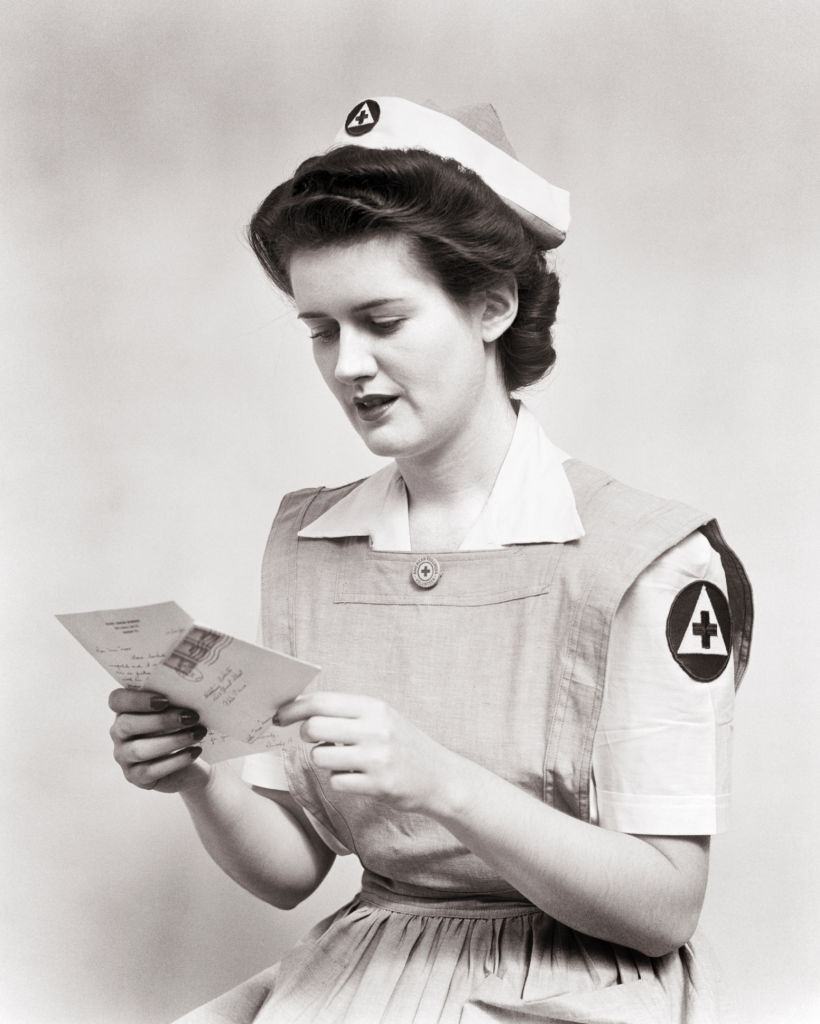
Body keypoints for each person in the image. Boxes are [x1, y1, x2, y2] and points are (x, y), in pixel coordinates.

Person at [107, 97, 753, 1023]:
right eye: (322, 330)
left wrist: (442, 781)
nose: (347, 366)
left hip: (571, 983)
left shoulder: (647, 560)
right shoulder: (308, 544)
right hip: (365, 973)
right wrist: (197, 777)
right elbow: (293, 869)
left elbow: (662, 908)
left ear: (493, 306)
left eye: (382, 319)